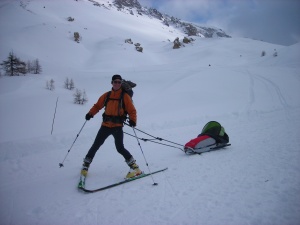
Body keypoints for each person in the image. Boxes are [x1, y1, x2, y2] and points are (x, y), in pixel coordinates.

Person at [81, 74, 142, 179]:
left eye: (119, 82)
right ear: (112, 83)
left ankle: (135, 167)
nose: (117, 83)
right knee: (96, 145)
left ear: (121, 83)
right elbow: (97, 106)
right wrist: (90, 113)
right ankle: (86, 164)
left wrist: (133, 120)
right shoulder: (107, 95)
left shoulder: (124, 96)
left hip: (117, 126)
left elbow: (132, 110)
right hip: (105, 126)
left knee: (120, 148)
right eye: (115, 82)